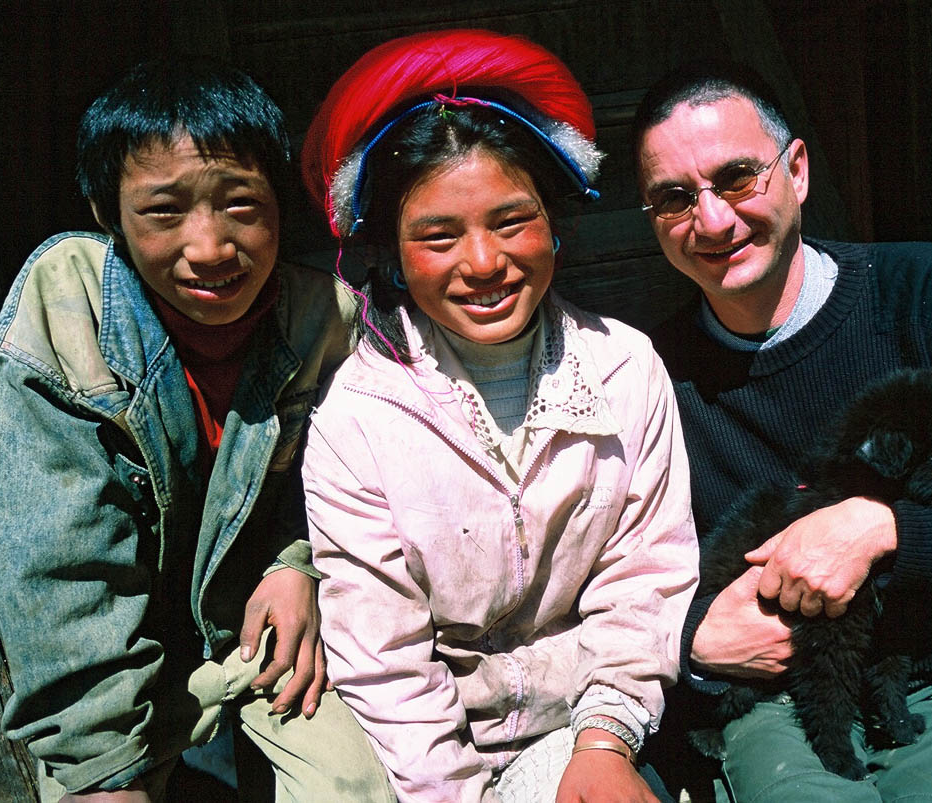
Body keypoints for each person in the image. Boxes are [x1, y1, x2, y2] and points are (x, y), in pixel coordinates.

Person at [632, 61, 932, 801]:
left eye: (738, 178)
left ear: (798, 171)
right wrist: (692, 642)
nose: (712, 221)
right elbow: (631, 574)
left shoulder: (931, 296)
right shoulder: (649, 377)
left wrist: (882, 528)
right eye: (675, 197)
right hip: (776, 692)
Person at [0, 58, 393, 802]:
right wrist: (102, 764)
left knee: (359, 787)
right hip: (117, 663)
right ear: (108, 214)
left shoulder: (326, 319)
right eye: (164, 212)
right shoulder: (69, 308)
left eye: (241, 204)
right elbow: (58, 570)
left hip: (267, 632)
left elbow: (357, 485)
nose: (209, 247)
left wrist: (299, 562)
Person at [298, 29, 699, 803]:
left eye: (511, 221)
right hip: (417, 760)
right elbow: (385, 662)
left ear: (555, 220)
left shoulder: (626, 370)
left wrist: (604, 740)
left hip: (580, 725)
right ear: (391, 252)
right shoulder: (357, 420)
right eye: (438, 236)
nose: (484, 263)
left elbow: (644, 579)